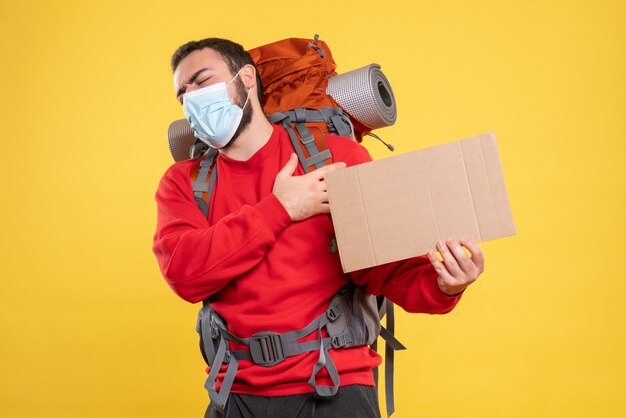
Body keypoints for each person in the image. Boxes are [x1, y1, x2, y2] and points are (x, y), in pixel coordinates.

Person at [152, 37, 485, 418]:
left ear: (245, 79)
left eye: (201, 81)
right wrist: (281, 207)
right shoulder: (184, 182)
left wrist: (447, 285)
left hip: (332, 387)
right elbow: (185, 274)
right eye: (182, 93)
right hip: (234, 395)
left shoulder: (334, 158)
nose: (191, 97)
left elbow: (387, 271)